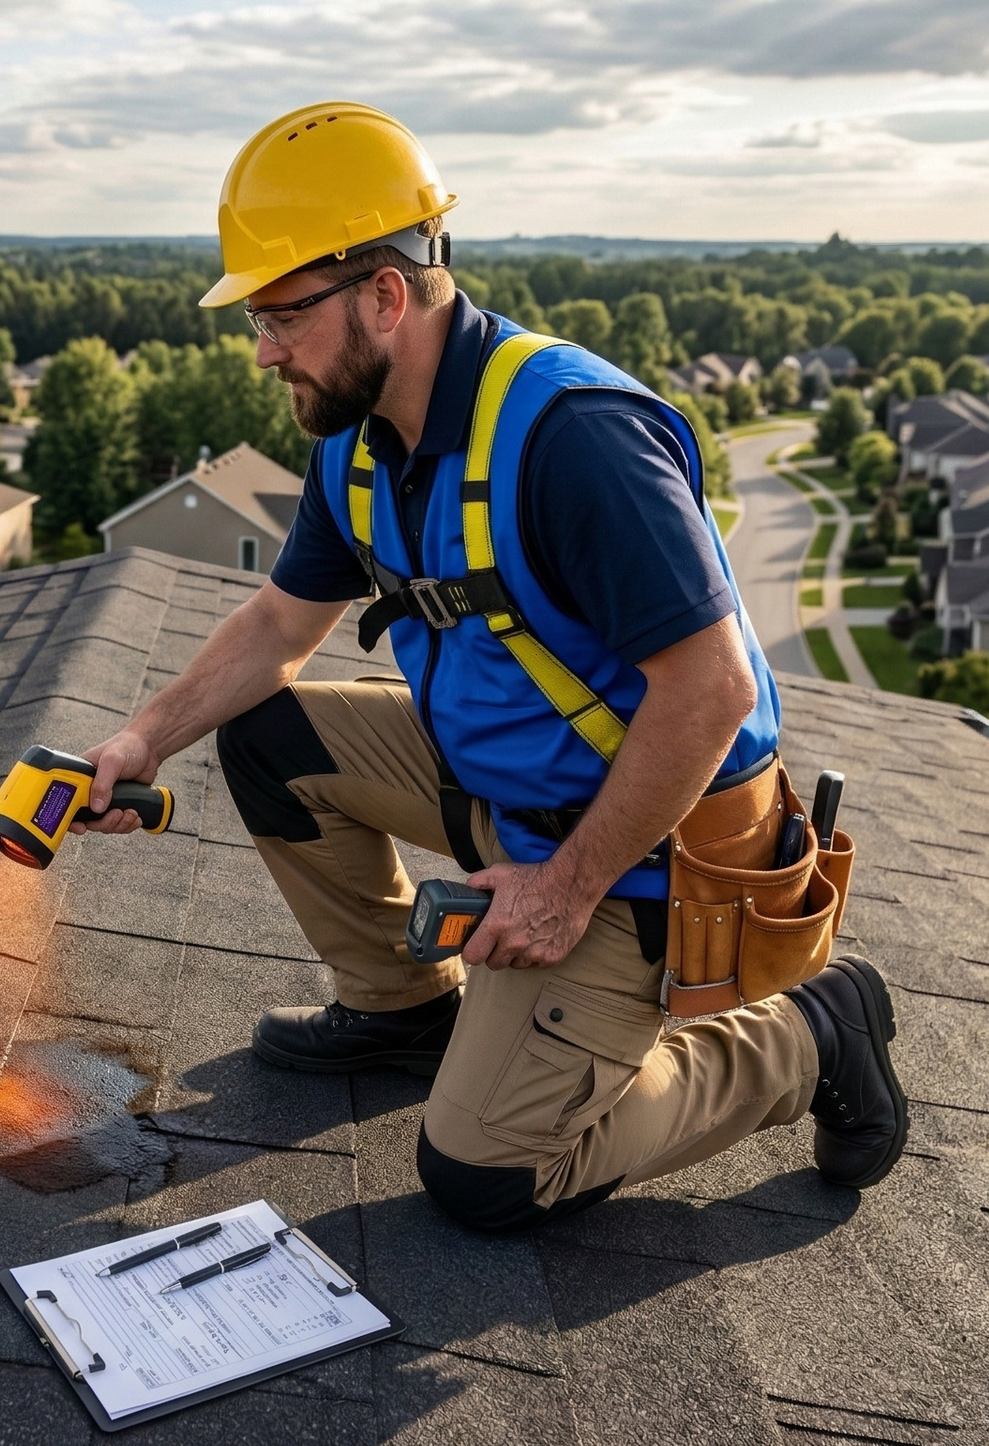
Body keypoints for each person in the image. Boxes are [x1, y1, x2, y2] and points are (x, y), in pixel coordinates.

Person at [77, 102, 907, 1232]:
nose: (263, 349)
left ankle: (807, 1037)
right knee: (268, 736)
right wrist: (138, 739)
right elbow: (278, 624)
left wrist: (563, 890)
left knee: (485, 1173)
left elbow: (709, 691)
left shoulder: (573, 436)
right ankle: (405, 1007)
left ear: (382, 292)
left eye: (279, 315)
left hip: (644, 843)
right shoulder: (357, 441)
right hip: (505, 783)